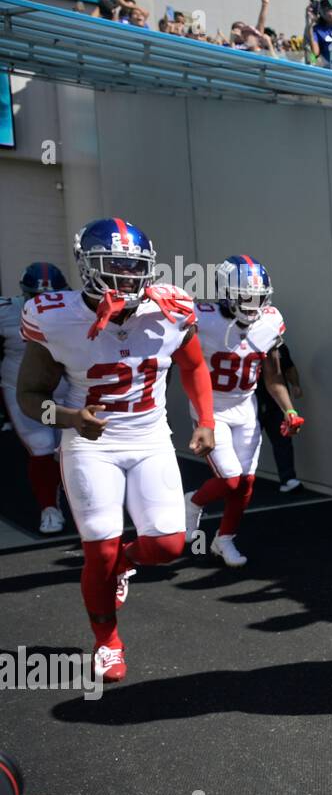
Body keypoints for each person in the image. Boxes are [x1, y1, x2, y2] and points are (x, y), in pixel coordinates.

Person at [15, 218, 216, 683]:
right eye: (115, 267)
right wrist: (69, 418)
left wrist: (205, 420)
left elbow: (194, 366)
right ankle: (106, 641)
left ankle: (126, 561)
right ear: (87, 267)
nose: (127, 277)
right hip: (91, 445)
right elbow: (29, 396)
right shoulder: (54, 315)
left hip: (149, 437)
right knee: (98, 554)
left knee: (168, 545)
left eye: (135, 267)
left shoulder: (171, 307)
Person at [184, 257, 304, 568]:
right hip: (212, 408)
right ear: (225, 292)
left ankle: (224, 539)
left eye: (258, 297)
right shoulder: (202, 317)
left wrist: (289, 409)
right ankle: (192, 502)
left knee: (246, 483)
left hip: (245, 407)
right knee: (230, 480)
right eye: (244, 296)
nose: (252, 304)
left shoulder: (269, 320)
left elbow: (273, 376)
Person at [0, 263, 72, 534]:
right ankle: (49, 508)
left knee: (73, 447)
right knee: (42, 446)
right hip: (24, 390)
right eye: (36, 298)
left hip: (69, 389)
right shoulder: (7, 311)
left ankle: (80, 502)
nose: (44, 304)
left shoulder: (79, 307)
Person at [257, 342, 304, 492]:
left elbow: (289, 367)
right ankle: (239, 480)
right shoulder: (246, 345)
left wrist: (296, 385)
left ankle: (288, 478)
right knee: (247, 443)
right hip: (251, 403)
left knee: (283, 441)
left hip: (276, 404)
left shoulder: (280, 346)